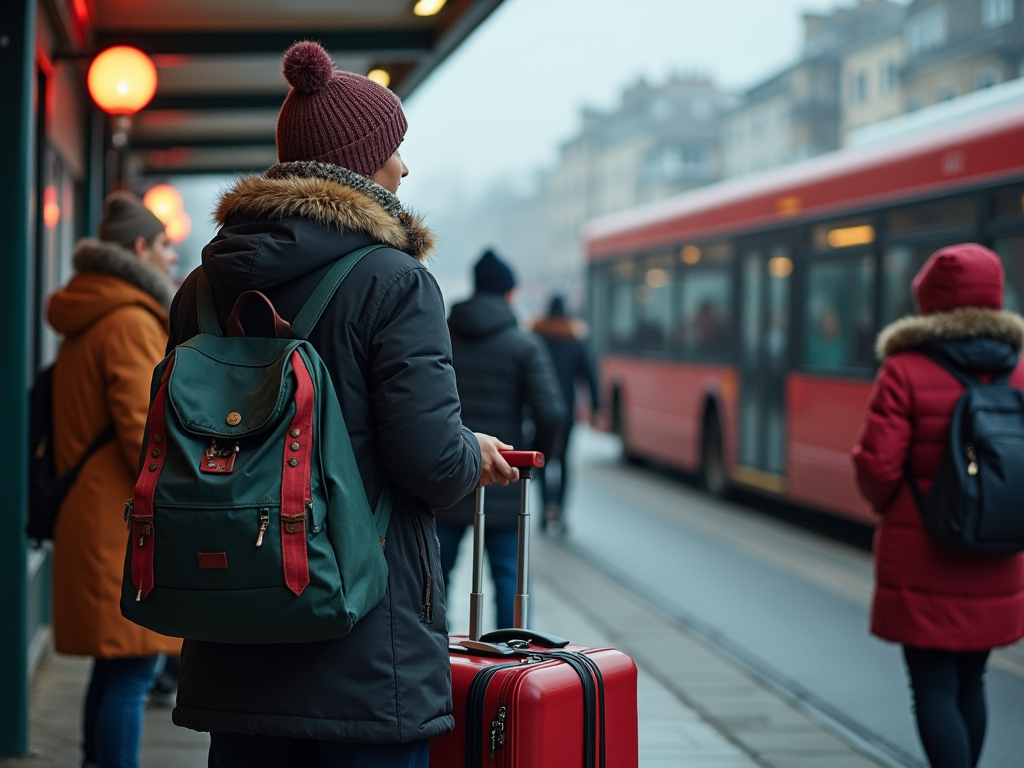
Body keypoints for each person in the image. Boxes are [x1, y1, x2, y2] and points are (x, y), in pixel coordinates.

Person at [164, 41, 514, 768]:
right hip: (359, 639)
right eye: (395, 149)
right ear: (360, 162)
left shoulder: (202, 286)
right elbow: (428, 462)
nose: (405, 168)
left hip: (232, 622)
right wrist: (468, 454)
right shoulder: (393, 282)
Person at [852, 243, 1024, 768]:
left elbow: (877, 466)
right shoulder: (1019, 370)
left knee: (931, 688)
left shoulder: (904, 369)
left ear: (927, 299)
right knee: (972, 681)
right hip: (997, 551)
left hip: (923, 551)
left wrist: (895, 505)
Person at [47, 192, 182, 768]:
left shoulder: (95, 312)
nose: (171, 260)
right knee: (132, 668)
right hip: (117, 521)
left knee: (116, 668)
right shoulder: (129, 321)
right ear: (138, 248)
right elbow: (142, 434)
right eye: (164, 247)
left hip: (95, 510)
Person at [436, 251, 566, 629]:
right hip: (506, 476)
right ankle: (509, 666)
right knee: (510, 578)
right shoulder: (523, 346)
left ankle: (434, 655)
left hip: (450, 473)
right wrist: (532, 462)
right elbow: (552, 413)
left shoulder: (439, 337)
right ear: (509, 294)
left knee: (435, 577)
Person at [531, 294, 599, 531]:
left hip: (539, 410)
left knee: (540, 459)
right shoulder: (575, 341)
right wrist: (597, 406)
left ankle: (545, 506)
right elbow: (589, 375)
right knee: (565, 462)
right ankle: (558, 510)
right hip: (566, 411)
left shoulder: (537, 339)